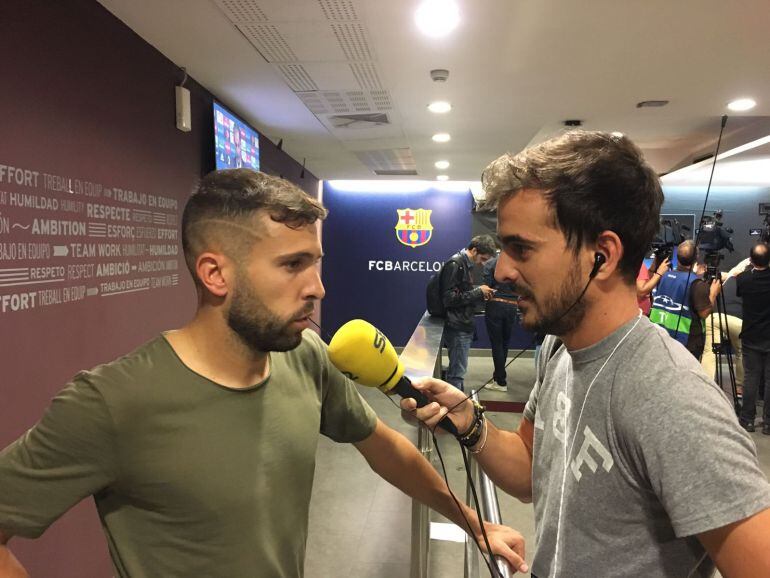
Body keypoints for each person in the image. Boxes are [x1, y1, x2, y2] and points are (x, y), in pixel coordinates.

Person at [0, 170, 527, 577]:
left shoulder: (305, 356)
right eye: (293, 265)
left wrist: (472, 521)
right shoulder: (112, 401)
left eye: (316, 262)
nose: (318, 287)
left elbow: (382, 443)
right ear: (215, 274)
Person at [403, 131, 770, 577]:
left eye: (522, 249)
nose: (501, 271)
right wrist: (471, 421)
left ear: (602, 255)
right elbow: (528, 469)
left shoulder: (672, 395)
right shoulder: (560, 346)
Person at [440, 235, 497, 391]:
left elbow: (460, 293)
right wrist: (478, 292)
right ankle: (454, 410)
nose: (482, 263)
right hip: (457, 326)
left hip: (462, 324)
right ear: (474, 250)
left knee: (458, 371)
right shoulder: (456, 264)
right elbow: (449, 299)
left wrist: (478, 293)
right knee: (457, 373)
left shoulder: (464, 265)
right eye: (483, 258)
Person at [650, 240, 721, 359]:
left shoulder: (664, 276)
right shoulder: (697, 284)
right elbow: (704, 313)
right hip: (688, 342)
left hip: (662, 337)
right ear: (696, 258)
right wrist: (713, 294)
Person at [701, 258, 750, 396]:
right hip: (737, 320)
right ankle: (740, 387)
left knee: (710, 351)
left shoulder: (729, 279)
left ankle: (706, 385)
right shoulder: (750, 283)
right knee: (741, 351)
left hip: (714, 316)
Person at [736, 243, 770, 434]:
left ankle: (747, 420)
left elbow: (740, 288)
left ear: (751, 259)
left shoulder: (744, 279)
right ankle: (768, 423)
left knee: (751, 378)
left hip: (750, 335)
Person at [483, 254, 519, 392]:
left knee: (497, 344)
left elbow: (487, 286)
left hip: (496, 304)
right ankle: (498, 377)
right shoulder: (517, 262)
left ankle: (501, 381)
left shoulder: (491, 263)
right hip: (512, 306)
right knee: (504, 343)